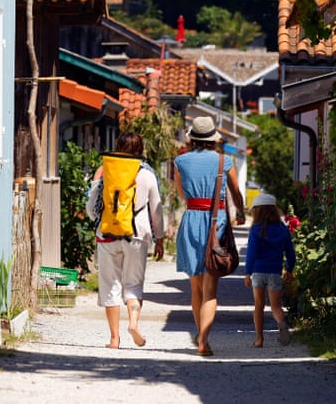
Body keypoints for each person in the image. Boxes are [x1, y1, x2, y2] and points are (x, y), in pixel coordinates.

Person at [174, 116, 246, 357]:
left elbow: (183, 195)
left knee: (195, 288)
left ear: (192, 138)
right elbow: (235, 192)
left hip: (192, 220)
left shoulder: (180, 161)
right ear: (213, 139)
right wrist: (242, 213)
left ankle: (200, 334)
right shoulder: (224, 161)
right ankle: (204, 339)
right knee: (211, 289)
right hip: (216, 224)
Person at [86, 131, 164, 349]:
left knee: (110, 286)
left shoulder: (103, 171)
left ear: (117, 146)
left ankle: (113, 339)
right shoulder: (147, 175)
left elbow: (91, 209)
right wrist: (160, 238)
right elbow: (156, 210)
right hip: (137, 234)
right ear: (140, 151)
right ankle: (133, 323)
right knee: (133, 285)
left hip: (107, 234)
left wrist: (102, 220)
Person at [244, 193, 296, 347]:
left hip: (259, 272)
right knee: (276, 306)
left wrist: (248, 272)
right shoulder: (282, 229)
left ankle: (259, 339)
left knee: (258, 305)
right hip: (275, 272)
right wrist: (289, 269)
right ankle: (282, 325)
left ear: (257, 211)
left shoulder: (256, 229)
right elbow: (290, 252)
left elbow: (251, 252)